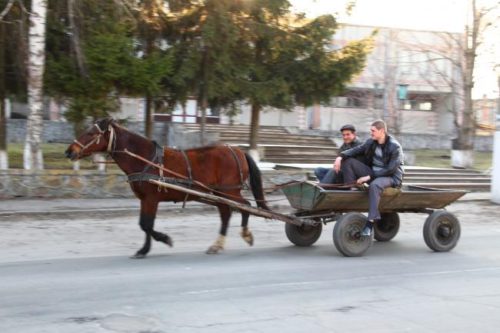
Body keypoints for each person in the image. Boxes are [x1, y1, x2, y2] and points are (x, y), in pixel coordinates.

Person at [334, 120, 404, 237]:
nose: (371, 133)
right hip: (374, 173)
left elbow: (390, 169)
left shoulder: (395, 146)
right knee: (349, 161)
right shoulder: (372, 142)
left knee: (375, 185)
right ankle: (351, 192)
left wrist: (368, 177)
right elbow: (357, 150)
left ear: (381, 131)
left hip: (391, 177)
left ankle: (370, 223)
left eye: (373, 131)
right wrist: (340, 157)